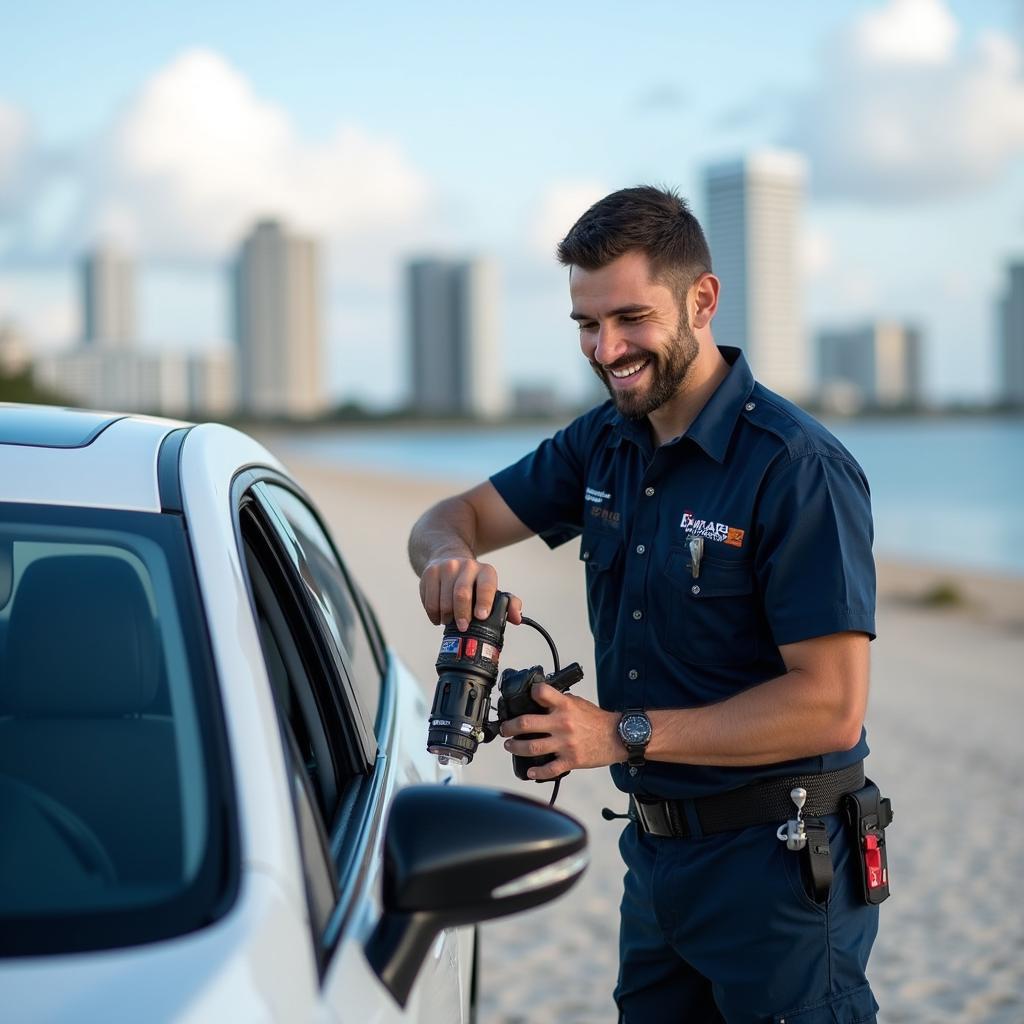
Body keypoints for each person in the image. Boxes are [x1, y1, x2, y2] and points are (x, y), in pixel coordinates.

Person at [408, 186, 883, 1024]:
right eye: (587, 325)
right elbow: (451, 519)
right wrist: (450, 561)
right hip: (656, 861)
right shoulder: (604, 440)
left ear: (702, 299)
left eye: (630, 318)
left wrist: (614, 732)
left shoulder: (797, 467)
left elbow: (832, 707)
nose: (607, 348)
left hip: (781, 872)